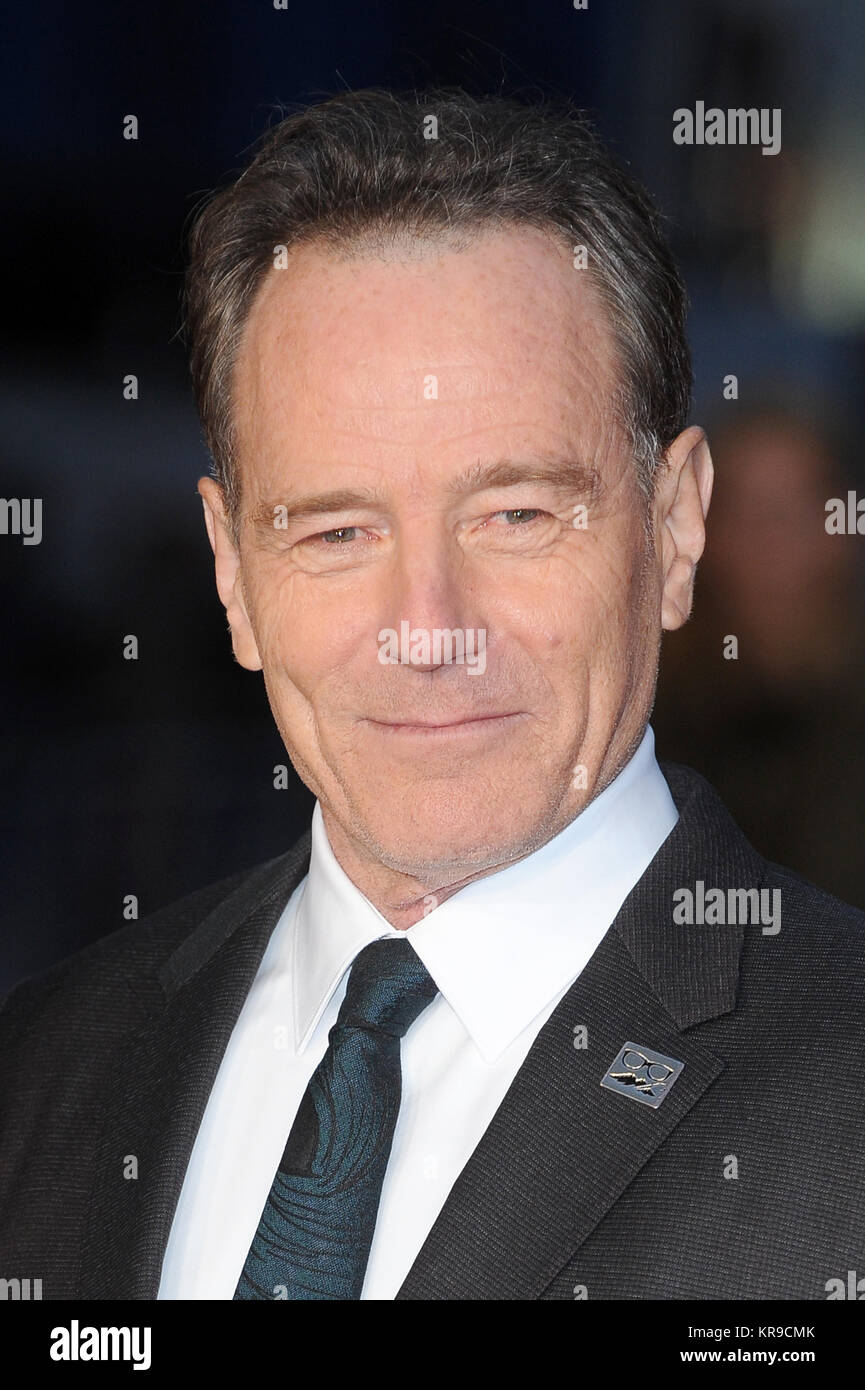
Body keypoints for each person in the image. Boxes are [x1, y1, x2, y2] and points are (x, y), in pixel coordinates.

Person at [0, 88, 862, 1302]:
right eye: (337, 531)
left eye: (513, 515)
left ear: (673, 529)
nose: (427, 627)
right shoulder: (42, 1075)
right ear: (232, 571)